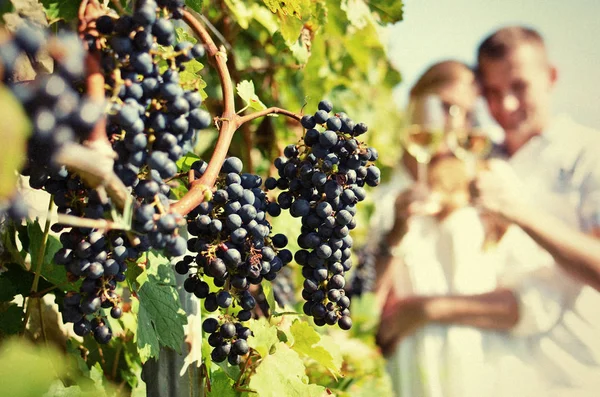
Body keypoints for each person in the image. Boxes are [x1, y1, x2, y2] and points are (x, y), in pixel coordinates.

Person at [378, 26, 600, 397]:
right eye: (493, 94)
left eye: (520, 87)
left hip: (575, 375)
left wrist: (429, 309)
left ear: (552, 77)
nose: (507, 106)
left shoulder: (586, 155)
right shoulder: (483, 159)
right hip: (499, 374)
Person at [372, 60, 506, 397]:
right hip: (415, 376)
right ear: (415, 103)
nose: (453, 123)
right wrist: (396, 234)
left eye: (466, 113)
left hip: (480, 373)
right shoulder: (382, 197)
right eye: (444, 107)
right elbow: (364, 314)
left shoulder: (490, 189)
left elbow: (523, 306)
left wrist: (427, 310)